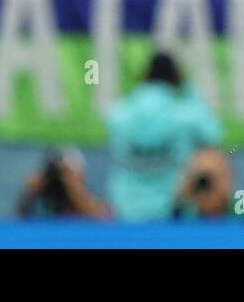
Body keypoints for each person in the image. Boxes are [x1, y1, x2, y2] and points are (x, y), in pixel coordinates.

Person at [105, 53, 222, 222]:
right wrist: (190, 90)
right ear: (176, 78)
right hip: (171, 206)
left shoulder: (118, 113)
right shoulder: (184, 114)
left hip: (123, 207)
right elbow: (214, 134)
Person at [16, 148, 109, 218]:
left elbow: (106, 225)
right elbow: (17, 223)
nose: (60, 180)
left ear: (82, 177)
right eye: (60, 174)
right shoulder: (41, 200)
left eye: (68, 174)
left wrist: (77, 194)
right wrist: (29, 194)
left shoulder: (93, 200)